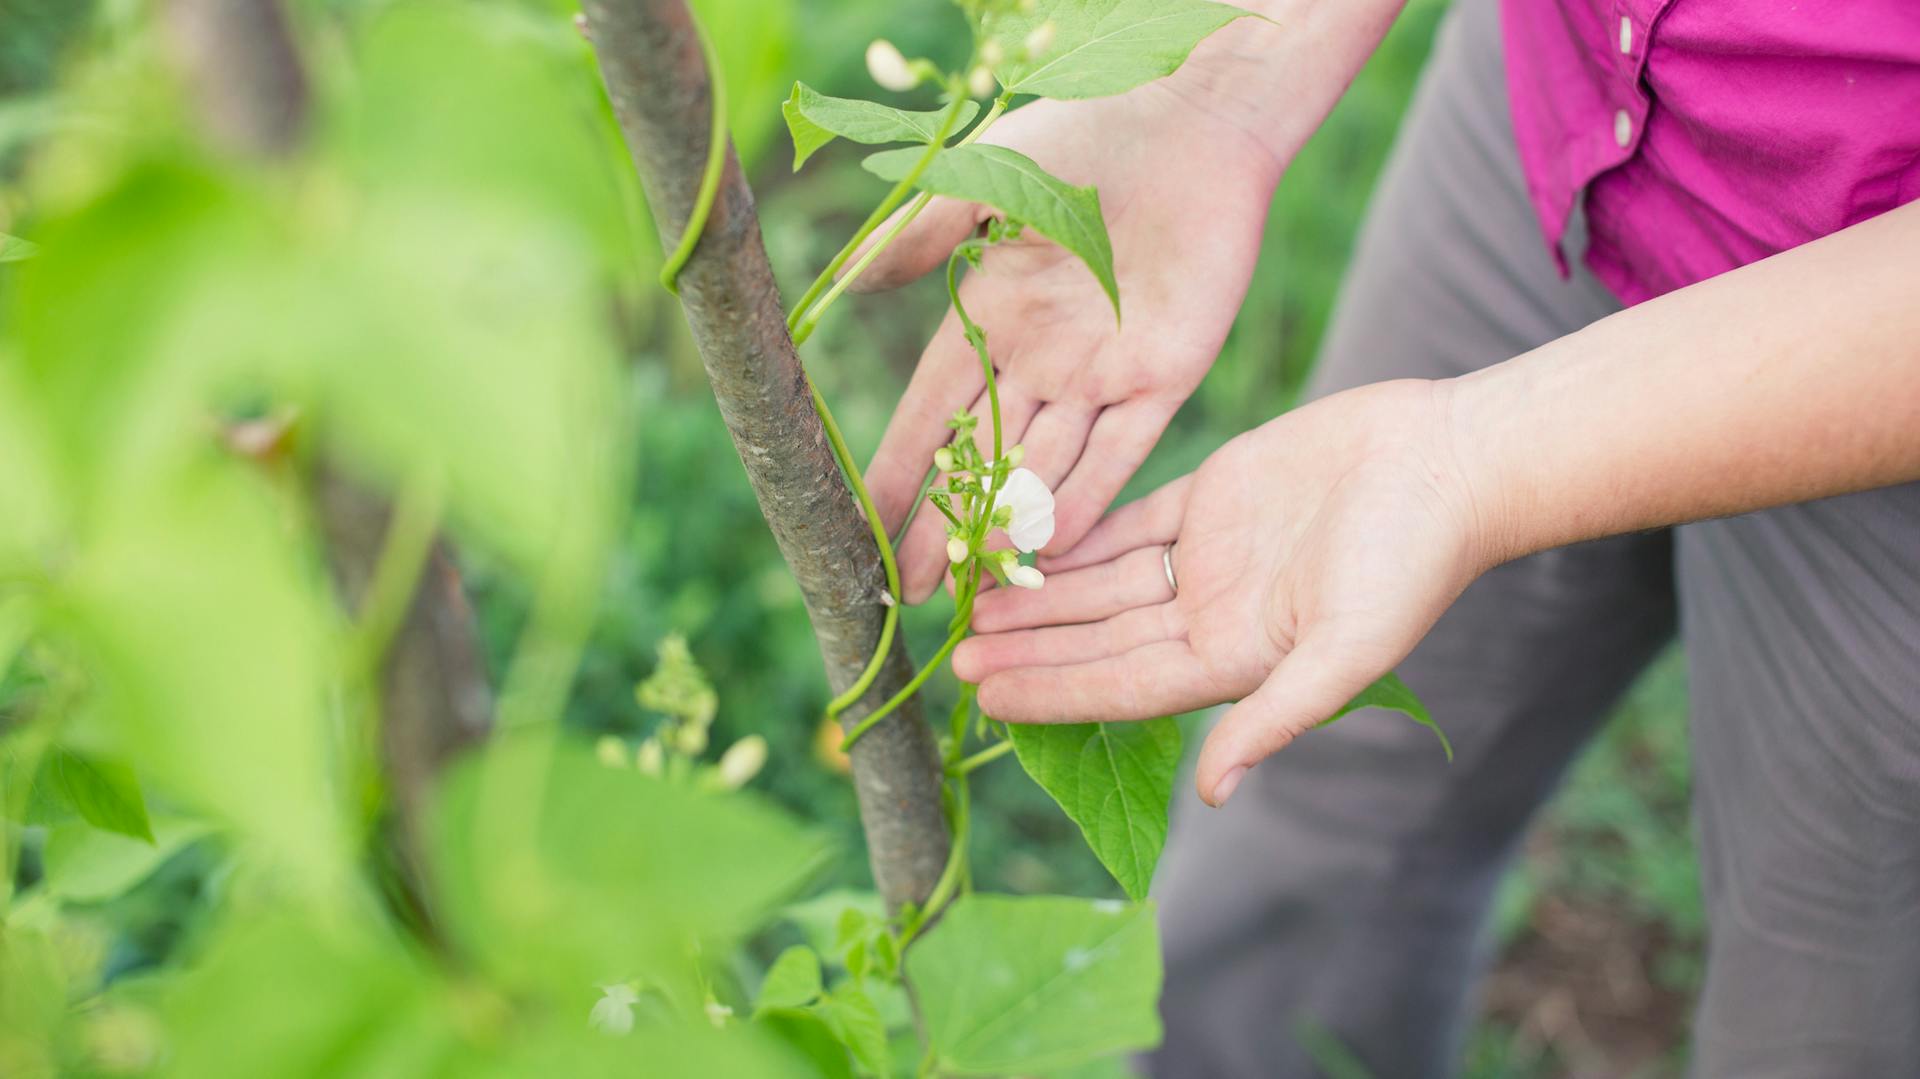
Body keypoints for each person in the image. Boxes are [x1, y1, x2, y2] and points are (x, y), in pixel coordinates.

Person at [851, 0, 1920, 1074]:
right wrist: (1221, 85)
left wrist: (1470, 456)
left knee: (1820, 1011)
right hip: (1572, 90)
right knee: (1319, 801)